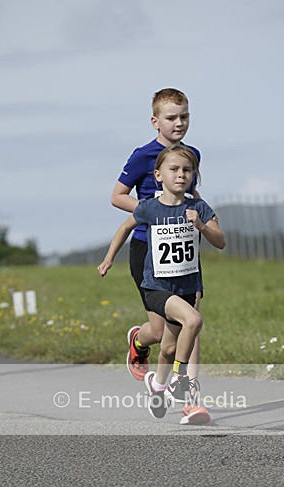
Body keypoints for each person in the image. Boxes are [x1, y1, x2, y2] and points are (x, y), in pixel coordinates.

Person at [98, 144, 225, 424]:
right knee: (193, 321)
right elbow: (125, 227)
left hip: (187, 287)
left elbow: (220, 241)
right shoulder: (149, 208)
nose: (181, 175)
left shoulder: (199, 208)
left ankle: (157, 386)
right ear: (158, 175)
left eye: (187, 170)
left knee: (168, 348)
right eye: (174, 169)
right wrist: (108, 259)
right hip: (156, 287)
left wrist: (202, 226)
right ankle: (181, 381)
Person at [111, 88, 203, 384]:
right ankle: (139, 340)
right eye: (171, 117)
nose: (179, 123)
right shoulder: (143, 156)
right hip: (147, 248)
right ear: (155, 122)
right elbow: (117, 196)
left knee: (190, 320)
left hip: (182, 248)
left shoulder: (192, 155)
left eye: (184, 116)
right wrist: (154, 211)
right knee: (161, 331)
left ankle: (189, 393)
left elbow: (191, 194)